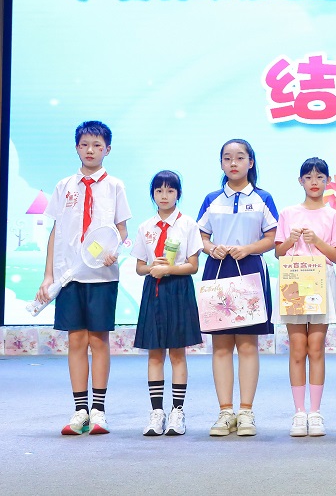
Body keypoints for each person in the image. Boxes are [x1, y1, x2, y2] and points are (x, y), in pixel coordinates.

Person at [36, 120, 130, 436]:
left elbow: (122, 231)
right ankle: (80, 411)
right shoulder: (64, 186)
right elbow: (55, 232)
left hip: (102, 276)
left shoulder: (115, 186)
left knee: (98, 340)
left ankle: (99, 410)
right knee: (76, 340)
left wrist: (115, 251)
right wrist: (48, 275)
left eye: (97, 145)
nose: (90, 150)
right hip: (68, 277)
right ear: (77, 147)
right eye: (85, 144)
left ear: (107, 149)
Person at [197, 139, 278, 437]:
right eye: (227, 158)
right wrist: (211, 248)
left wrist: (248, 249)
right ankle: (225, 412)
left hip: (250, 270)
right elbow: (200, 237)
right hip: (218, 271)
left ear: (250, 162)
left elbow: (272, 238)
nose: (233, 163)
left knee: (247, 345)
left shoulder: (263, 198)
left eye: (240, 157)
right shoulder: (212, 199)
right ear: (221, 163)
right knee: (221, 346)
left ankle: (246, 412)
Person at [273, 157, 336, 438]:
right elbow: (278, 252)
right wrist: (291, 240)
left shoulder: (334, 216)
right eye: (309, 177)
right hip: (293, 282)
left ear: (328, 181)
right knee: (297, 348)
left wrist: (317, 242)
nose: (314, 182)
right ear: (300, 181)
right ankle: (299, 412)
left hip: (320, 282)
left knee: (316, 347)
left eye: (320, 177)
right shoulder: (288, 213)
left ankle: (315, 412)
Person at [132, 170, 203, 436]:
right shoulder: (145, 227)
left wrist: (169, 269)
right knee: (154, 353)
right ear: (153, 194)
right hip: (154, 289)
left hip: (179, 289)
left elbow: (193, 266)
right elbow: (139, 267)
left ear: (178, 194)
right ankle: (156, 413)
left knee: (177, 353)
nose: (164, 196)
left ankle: (177, 412)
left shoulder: (188, 225)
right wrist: (154, 267)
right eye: (159, 191)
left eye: (170, 190)